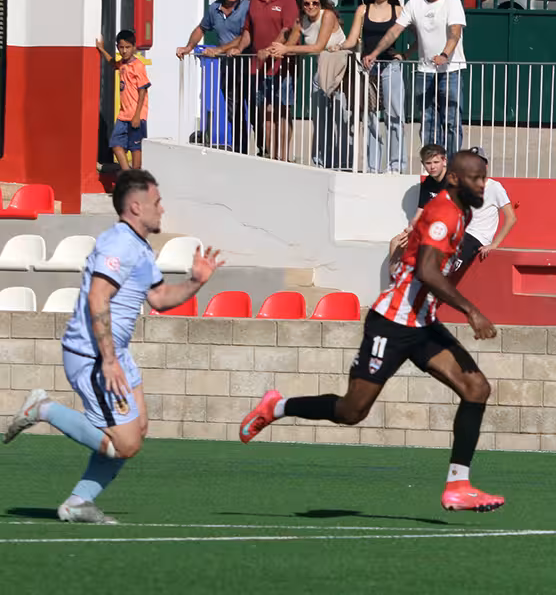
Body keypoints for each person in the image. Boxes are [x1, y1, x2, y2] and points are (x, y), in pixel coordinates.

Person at [239, 151, 505, 513]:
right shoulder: (444, 214)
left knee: (476, 388)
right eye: (475, 178)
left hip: (422, 324)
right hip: (392, 324)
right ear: (455, 179)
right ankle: (278, 406)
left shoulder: (463, 212)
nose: (482, 185)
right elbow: (427, 271)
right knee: (352, 411)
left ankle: (458, 486)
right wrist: (471, 310)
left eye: (484, 178)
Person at [1, 170, 223, 524]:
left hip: (115, 353)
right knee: (125, 444)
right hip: (92, 355)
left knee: (138, 430)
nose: (162, 209)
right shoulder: (119, 243)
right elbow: (98, 296)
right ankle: (43, 409)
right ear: (136, 207)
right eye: (157, 202)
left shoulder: (140, 248)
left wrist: (195, 282)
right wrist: (107, 360)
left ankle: (78, 503)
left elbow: (159, 298)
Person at [362, 0, 467, 158]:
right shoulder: (415, 2)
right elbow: (395, 31)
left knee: (451, 120)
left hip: (451, 70)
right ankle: (432, 164)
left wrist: (444, 54)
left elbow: (455, 33)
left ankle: (452, 165)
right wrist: (375, 53)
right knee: (428, 120)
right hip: (425, 71)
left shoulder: (452, 2)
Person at [219, 0, 298, 161]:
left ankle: (283, 158)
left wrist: (270, 49)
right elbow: (248, 30)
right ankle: (271, 157)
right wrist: (239, 48)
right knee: (264, 113)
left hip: (282, 67)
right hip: (259, 67)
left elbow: (288, 29)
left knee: (281, 112)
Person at [268, 0, 347, 170]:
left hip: (340, 70)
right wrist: (275, 49)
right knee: (319, 119)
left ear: (321, 4)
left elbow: (318, 47)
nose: (311, 6)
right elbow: (288, 46)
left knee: (341, 118)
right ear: (301, 5)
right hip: (320, 71)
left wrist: (285, 49)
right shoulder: (300, 20)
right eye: (307, 3)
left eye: (315, 3)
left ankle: (344, 163)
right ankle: (321, 163)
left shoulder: (327, 15)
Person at [337, 0, 407, 173]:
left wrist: (405, 54)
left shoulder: (398, 10)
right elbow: (352, 40)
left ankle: (396, 166)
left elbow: (418, 34)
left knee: (395, 116)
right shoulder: (363, 9)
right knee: (370, 117)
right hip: (368, 67)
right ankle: (372, 166)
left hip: (391, 66)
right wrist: (338, 47)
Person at [176, 0, 251, 156]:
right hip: (228, 67)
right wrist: (188, 47)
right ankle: (239, 151)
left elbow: (245, 35)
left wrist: (219, 50)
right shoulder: (214, 8)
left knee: (256, 111)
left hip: (249, 64)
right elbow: (201, 28)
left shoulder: (248, 7)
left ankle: (265, 152)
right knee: (234, 110)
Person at [451, 147, 517, 282]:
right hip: (461, 233)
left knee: (448, 269)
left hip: (476, 237)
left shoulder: (495, 187)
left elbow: (511, 218)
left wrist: (494, 245)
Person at [96, 31, 150, 171]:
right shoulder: (122, 64)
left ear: (134, 47)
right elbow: (113, 63)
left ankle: (135, 177)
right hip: (123, 116)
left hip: (136, 116)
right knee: (116, 144)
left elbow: (143, 90)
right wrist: (101, 49)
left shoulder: (138, 66)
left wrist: (137, 115)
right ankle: (127, 174)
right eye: (121, 47)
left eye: (127, 47)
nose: (124, 51)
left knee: (136, 149)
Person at [412, 143, 449, 226]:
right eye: (428, 163)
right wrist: (412, 227)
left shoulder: (455, 180)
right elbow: (420, 210)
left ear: (444, 161)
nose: (432, 167)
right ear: (423, 164)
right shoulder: (427, 183)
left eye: (436, 162)